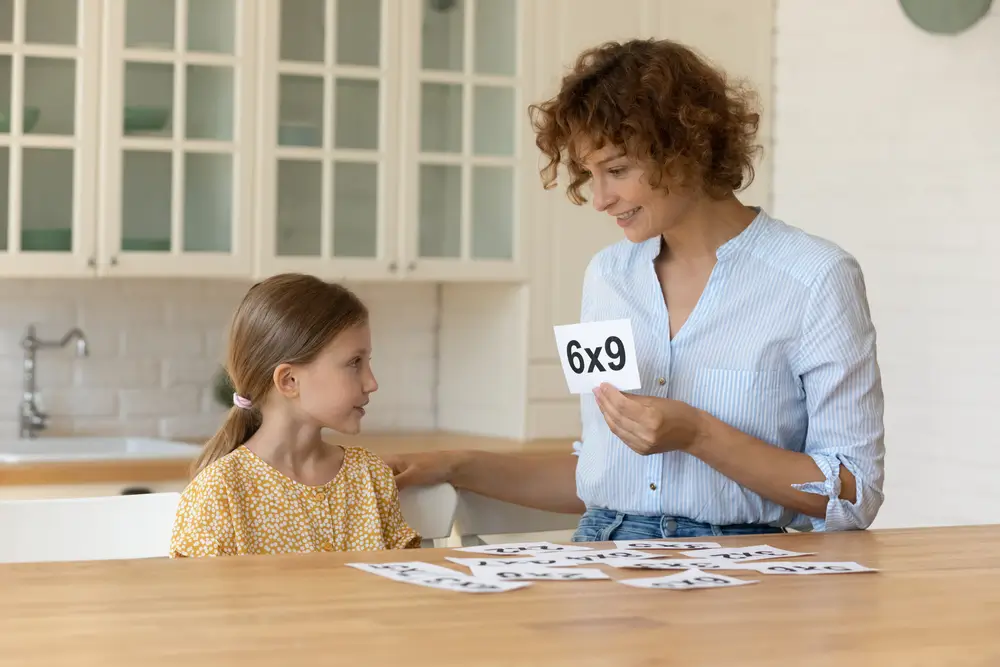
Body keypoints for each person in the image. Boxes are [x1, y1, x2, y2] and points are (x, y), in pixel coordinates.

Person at [386, 38, 885, 540]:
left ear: (686, 149)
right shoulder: (608, 276)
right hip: (603, 559)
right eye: (590, 174)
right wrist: (456, 465)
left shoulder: (815, 278)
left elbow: (853, 493)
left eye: (618, 170)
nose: (600, 199)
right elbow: (601, 475)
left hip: (741, 573)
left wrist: (698, 434)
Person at [170, 273, 419, 557]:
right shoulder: (221, 491)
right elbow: (201, 600)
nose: (371, 382)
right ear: (289, 381)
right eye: (354, 363)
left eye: (367, 362)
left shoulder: (370, 477)